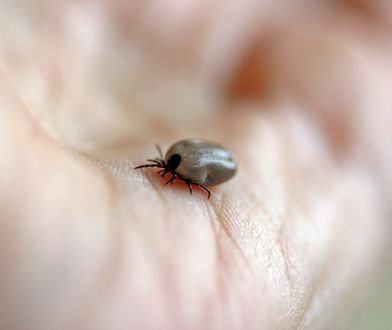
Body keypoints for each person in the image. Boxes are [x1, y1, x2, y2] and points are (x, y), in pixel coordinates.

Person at [0, 0, 391, 329]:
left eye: (166, 169)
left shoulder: (181, 160)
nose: (162, 172)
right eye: (165, 168)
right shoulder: (178, 163)